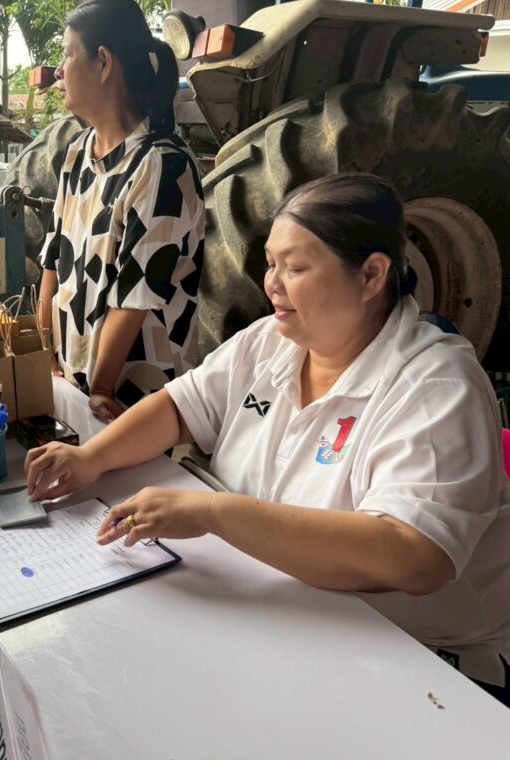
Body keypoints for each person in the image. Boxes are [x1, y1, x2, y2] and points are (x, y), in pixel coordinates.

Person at [25, 173, 510, 704]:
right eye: (271, 264)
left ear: (372, 275)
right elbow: (180, 407)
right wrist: (90, 458)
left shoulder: (435, 387)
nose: (272, 284)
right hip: (290, 620)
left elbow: (413, 556)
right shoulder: (272, 341)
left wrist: (216, 513)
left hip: (425, 665)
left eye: (295, 268)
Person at [39, 0, 205, 423]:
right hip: (74, 384)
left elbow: (137, 295)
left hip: (129, 400)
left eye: (67, 54)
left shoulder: (162, 166)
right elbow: (53, 259)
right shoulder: (78, 153)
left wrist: (100, 389)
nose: (58, 71)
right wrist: (44, 354)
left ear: (103, 62)